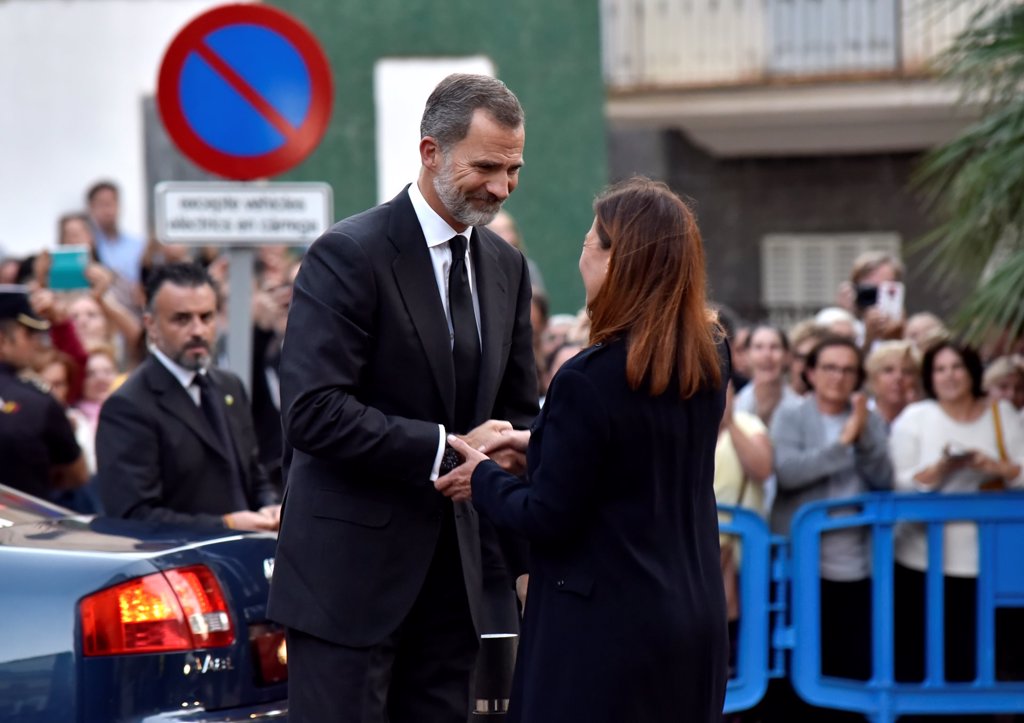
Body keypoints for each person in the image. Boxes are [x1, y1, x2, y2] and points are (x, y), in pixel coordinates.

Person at [267, 74, 539, 723]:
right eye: (487, 167)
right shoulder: (348, 253)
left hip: (455, 590)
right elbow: (312, 410)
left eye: (514, 170)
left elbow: (517, 411)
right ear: (430, 152)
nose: (501, 189)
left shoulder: (506, 267)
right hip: (346, 591)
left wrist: (522, 536)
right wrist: (440, 449)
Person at [438, 177, 729, 722]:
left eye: (589, 243)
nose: (582, 257)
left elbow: (547, 516)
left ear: (618, 261)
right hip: (693, 619)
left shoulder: (587, 380)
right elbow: (643, 458)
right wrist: (540, 442)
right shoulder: (709, 356)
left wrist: (480, 476)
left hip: (604, 634)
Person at [95, 263, 280, 530]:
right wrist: (225, 523)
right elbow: (132, 516)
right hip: (183, 565)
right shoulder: (128, 406)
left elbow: (251, 474)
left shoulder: (229, 386)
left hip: (245, 558)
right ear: (151, 325)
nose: (197, 330)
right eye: (182, 319)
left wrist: (269, 506)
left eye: (206, 317)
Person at [770, 336, 893, 720]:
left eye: (847, 370)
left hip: (855, 563)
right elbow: (789, 474)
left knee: (848, 665)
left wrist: (862, 433)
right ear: (810, 372)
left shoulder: (867, 419)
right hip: (802, 563)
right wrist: (844, 442)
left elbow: (883, 479)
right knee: (800, 670)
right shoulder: (791, 414)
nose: (838, 377)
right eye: (829, 368)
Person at [890, 340, 1024, 689]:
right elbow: (896, 483)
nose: (949, 376)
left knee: (986, 658)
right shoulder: (915, 417)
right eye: (939, 368)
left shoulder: (1002, 413)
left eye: (956, 367)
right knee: (926, 656)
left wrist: (994, 466)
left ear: (972, 372)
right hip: (922, 559)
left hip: (993, 560)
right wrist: (939, 471)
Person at [0, 286, 88, 499]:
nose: (35, 343)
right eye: (29, 334)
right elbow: (76, 475)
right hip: (21, 526)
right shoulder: (36, 401)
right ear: (2, 339)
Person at [865, 339, 921, 429]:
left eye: (907, 372)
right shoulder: (861, 417)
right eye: (888, 370)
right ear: (873, 377)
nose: (898, 377)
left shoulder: (924, 419)